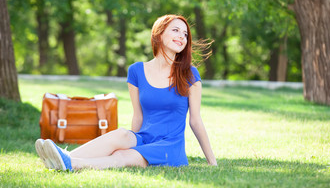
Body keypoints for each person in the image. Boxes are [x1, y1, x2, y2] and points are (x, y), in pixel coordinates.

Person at [35, 14, 217, 171]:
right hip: (145, 137)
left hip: (169, 147)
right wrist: (130, 140)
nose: (182, 37)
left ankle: (71, 163)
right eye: (176, 30)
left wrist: (212, 162)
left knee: (125, 157)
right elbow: (138, 116)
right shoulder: (136, 71)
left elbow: (195, 121)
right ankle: (62, 157)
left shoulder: (190, 74)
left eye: (185, 34)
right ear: (159, 34)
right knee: (121, 134)